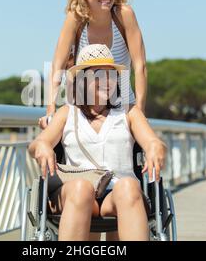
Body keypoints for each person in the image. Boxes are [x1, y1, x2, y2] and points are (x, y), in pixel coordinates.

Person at [28, 44, 166, 241]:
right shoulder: (67, 113)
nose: (107, 81)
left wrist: (155, 148)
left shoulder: (128, 112)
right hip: (78, 192)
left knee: (127, 186)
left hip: (118, 195)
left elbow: (154, 142)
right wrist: (42, 147)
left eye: (111, 75)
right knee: (81, 189)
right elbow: (38, 143)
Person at [39, 0, 148, 130]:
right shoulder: (76, 17)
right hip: (83, 106)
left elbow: (140, 66)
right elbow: (57, 66)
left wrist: (139, 113)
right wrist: (50, 110)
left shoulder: (124, 15)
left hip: (122, 106)